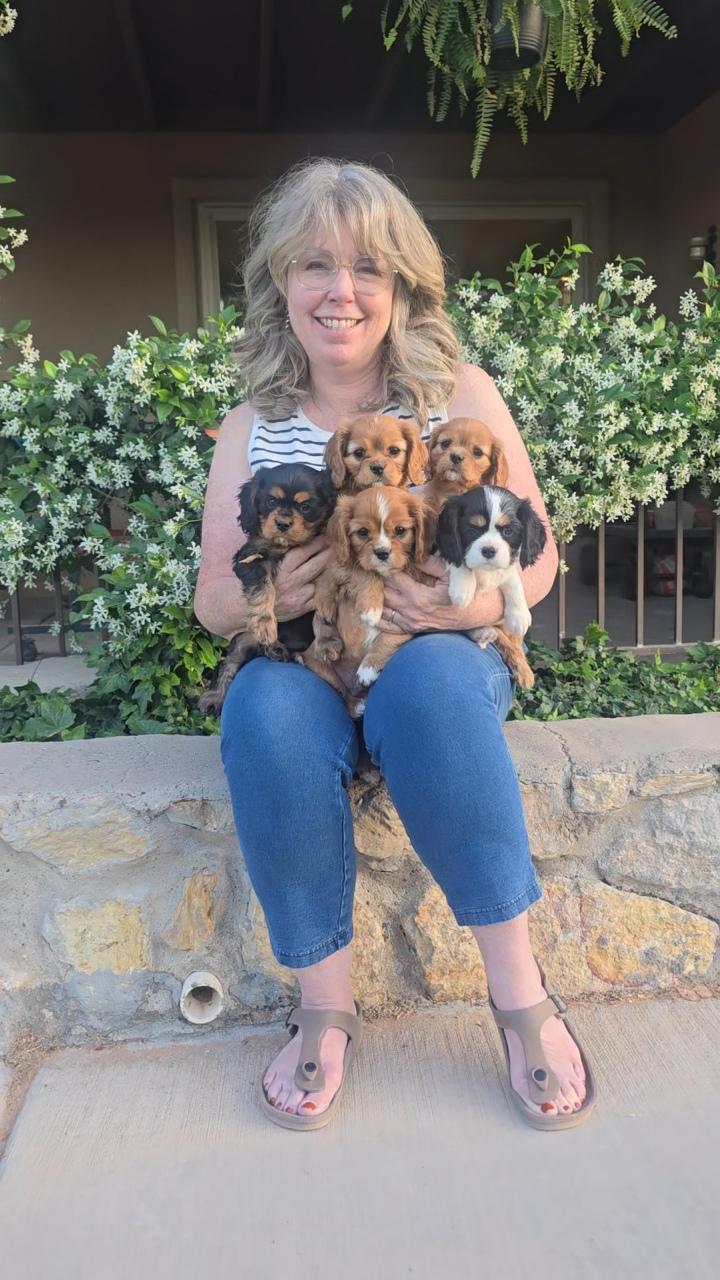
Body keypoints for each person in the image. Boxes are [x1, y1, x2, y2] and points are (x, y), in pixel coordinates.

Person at [194, 158, 595, 1132]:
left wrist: (456, 613)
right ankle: (323, 1008)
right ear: (281, 281)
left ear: (403, 285)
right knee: (263, 714)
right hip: (310, 657)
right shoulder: (252, 425)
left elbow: (537, 559)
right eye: (316, 264)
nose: (341, 290)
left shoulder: (459, 394)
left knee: (435, 691)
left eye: (368, 267)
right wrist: (284, 588)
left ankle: (521, 996)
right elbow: (212, 599)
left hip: (436, 654)